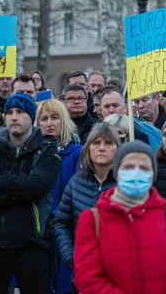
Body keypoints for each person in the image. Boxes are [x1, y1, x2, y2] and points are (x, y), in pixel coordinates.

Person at [73, 141, 166, 294]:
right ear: (117, 173)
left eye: (144, 168)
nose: (136, 172)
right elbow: (87, 277)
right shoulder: (92, 220)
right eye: (128, 167)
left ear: (153, 175)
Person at [0, 93, 60, 293]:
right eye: (10, 112)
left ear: (31, 117)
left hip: (32, 244)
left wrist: (1, 181)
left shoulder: (46, 151)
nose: (13, 117)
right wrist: (20, 192)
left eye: (20, 112)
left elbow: (38, 186)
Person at [53, 123, 120, 291]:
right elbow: (61, 223)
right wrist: (71, 256)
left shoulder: (126, 185)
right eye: (96, 143)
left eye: (108, 143)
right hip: (84, 276)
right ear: (88, 148)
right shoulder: (76, 183)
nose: (101, 148)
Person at [36, 99, 82, 294]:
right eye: (44, 119)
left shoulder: (77, 153)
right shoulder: (32, 154)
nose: (49, 123)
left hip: (65, 228)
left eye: (54, 118)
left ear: (63, 121)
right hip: (39, 230)